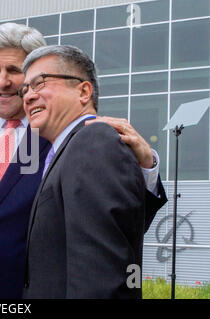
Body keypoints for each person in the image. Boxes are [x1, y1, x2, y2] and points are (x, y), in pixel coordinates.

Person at [0, 23, 167, 299]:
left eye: (14, 71)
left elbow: (113, 228)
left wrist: (145, 170)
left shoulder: (66, 140)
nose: (2, 82)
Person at [21, 44, 146, 298]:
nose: (28, 96)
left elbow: (100, 277)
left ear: (83, 91)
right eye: (25, 89)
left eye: (40, 83)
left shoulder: (93, 141)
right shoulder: (64, 152)